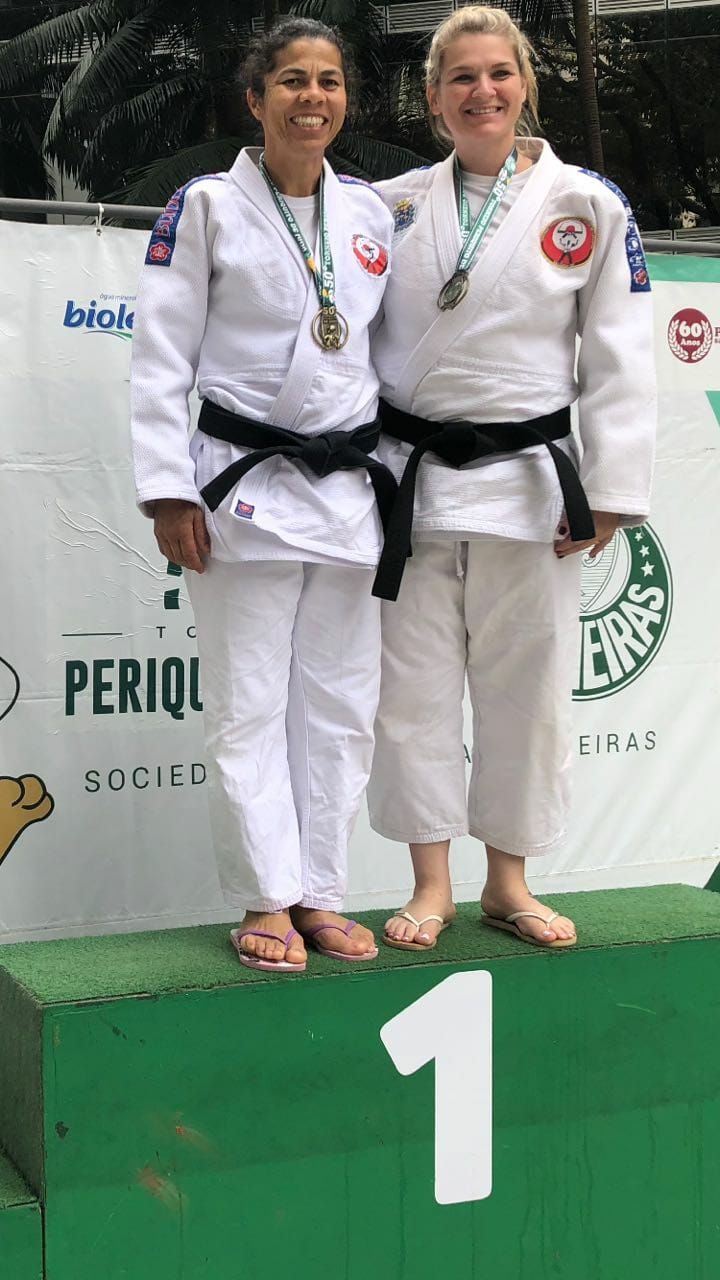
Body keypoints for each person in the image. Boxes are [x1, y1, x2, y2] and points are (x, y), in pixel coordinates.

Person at [367, 5, 656, 950]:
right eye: (461, 76)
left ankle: (509, 880)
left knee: (525, 694)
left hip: (532, 487)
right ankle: (430, 883)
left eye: (498, 73)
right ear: (432, 97)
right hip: (409, 484)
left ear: (525, 84)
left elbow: (618, 354)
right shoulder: (387, 206)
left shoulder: (587, 205)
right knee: (410, 692)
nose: (481, 91)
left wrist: (609, 492)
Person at [130, 18, 395, 971]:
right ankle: (264, 895)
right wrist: (169, 491)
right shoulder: (205, 206)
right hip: (241, 488)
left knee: (341, 704)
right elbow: (161, 358)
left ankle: (321, 890)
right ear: (256, 99)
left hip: (347, 493)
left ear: (345, 101)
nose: (311, 97)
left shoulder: (371, 215)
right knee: (248, 707)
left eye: (328, 81)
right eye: (291, 80)